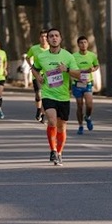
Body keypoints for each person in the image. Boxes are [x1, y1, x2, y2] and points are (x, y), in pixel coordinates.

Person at [30, 28, 79, 166]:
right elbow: (34, 68)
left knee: (62, 127)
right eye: (51, 36)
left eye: (56, 36)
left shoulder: (68, 56)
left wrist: (67, 70)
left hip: (63, 96)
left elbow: (79, 74)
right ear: (48, 39)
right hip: (48, 93)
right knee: (52, 121)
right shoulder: (42, 56)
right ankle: (53, 150)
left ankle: (60, 152)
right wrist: (38, 76)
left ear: (60, 38)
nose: (53, 38)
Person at [72, 36, 99, 134]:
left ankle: (87, 117)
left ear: (88, 44)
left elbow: (96, 65)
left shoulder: (92, 55)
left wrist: (93, 69)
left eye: (85, 42)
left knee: (89, 104)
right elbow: (71, 69)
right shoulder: (73, 56)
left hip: (88, 83)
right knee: (79, 105)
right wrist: (81, 72)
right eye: (81, 43)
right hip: (77, 83)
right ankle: (80, 125)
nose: (83, 44)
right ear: (78, 45)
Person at [26, 29, 50, 123]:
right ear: (39, 38)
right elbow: (27, 57)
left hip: (49, 75)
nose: (44, 38)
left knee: (46, 96)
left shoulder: (52, 49)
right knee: (39, 94)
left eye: (45, 36)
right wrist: (31, 66)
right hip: (37, 74)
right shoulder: (34, 48)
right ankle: (38, 110)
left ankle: (43, 115)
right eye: (42, 36)